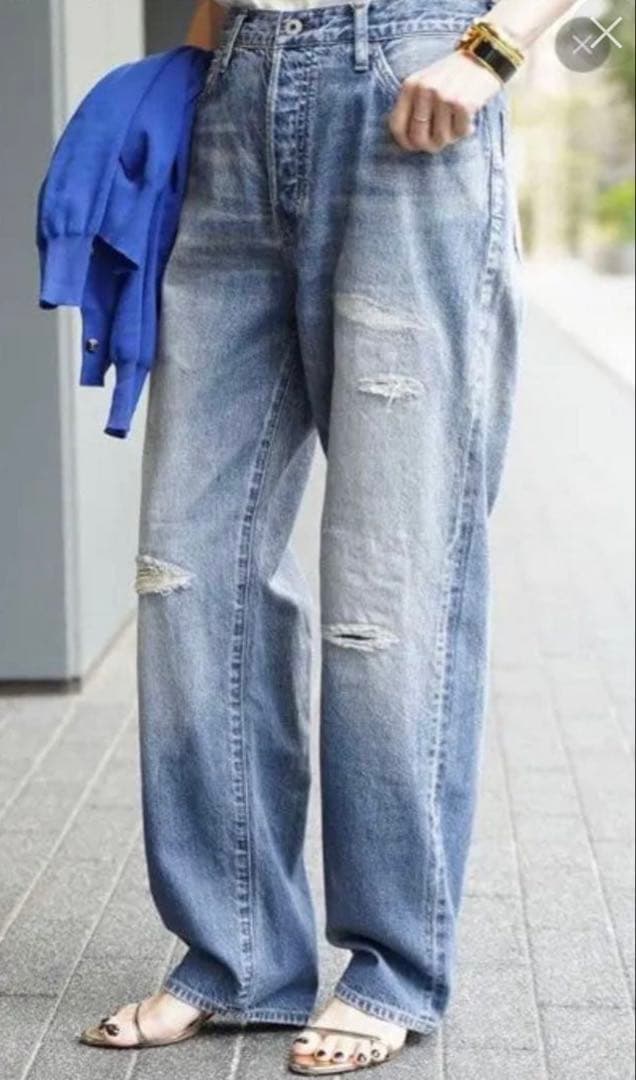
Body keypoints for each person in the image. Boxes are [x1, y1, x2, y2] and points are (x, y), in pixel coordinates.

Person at [80, 0, 576, 1073]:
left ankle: (392, 967)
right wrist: (194, 69)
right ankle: (235, 955)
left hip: (412, 86)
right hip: (235, 93)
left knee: (389, 582)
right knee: (186, 570)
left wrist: (493, 50)